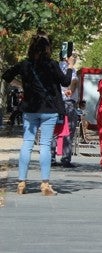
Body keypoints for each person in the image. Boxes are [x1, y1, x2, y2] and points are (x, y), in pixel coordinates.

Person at [1, 30, 75, 195]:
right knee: (45, 145)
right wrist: (70, 66)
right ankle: (45, 184)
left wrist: (22, 85)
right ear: (47, 49)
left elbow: (6, 75)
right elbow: (66, 82)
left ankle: (21, 183)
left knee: (27, 144)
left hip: (30, 109)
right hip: (49, 110)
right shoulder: (52, 64)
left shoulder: (25, 64)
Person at [58, 51, 80, 167]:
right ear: (68, 58)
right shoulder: (70, 68)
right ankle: (65, 159)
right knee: (69, 130)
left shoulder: (56, 66)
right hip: (68, 103)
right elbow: (74, 80)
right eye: (73, 57)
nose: (75, 59)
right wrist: (70, 90)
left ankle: (51, 158)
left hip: (56, 103)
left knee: (55, 130)